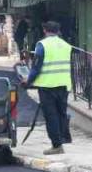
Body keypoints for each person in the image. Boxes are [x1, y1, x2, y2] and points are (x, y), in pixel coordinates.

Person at [20, 21, 73, 155]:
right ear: (58, 31)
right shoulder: (66, 45)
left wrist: (28, 81)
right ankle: (63, 138)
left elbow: (37, 67)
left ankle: (56, 145)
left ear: (45, 30)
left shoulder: (42, 45)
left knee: (51, 116)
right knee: (62, 114)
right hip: (63, 84)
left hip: (47, 86)